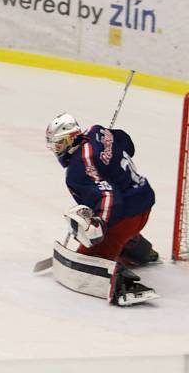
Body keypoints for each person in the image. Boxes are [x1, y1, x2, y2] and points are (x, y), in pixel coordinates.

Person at [45, 113, 159, 306]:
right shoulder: (97, 131)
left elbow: (108, 197)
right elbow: (127, 144)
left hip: (128, 214)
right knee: (113, 226)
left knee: (88, 259)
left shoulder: (77, 169)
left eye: (59, 144)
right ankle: (140, 250)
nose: (57, 150)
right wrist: (107, 148)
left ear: (70, 139)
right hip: (143, 198)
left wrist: (99, 224)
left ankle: (125, 285)